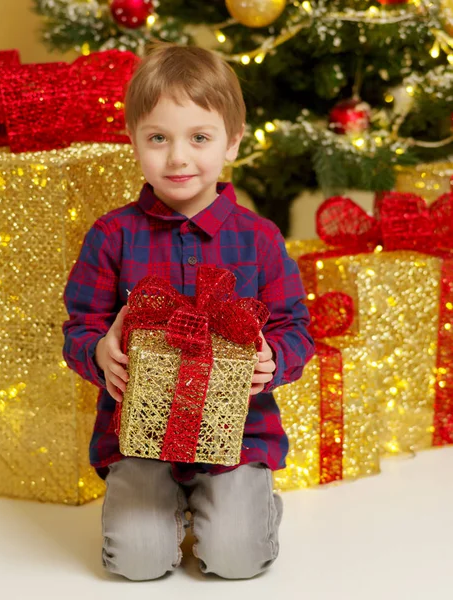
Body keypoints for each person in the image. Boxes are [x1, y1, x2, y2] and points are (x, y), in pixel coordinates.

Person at [63, 42, 314, 581]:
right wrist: (98, 351)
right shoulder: (112, 236)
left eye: (199, 138)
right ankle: (159, 510)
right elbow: (80, 326)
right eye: (158, 138)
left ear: (232, 142)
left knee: (237, 560)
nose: (178, 158)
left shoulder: (260, 238)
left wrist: (277, 358)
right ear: (133, 142)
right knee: (138, 563)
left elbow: (296, 326)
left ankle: (243, 507)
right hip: (138, 437)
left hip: (237, 437)